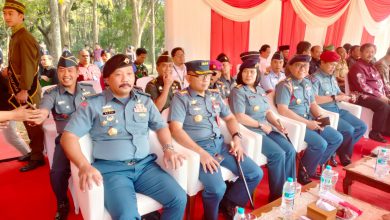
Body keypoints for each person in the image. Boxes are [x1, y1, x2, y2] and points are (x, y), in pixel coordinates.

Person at [61, 54, 187, 220]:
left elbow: (161, 126)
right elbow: (68, 137)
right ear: (107, 79)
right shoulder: (93, 104)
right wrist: (83, 165)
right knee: (127, 216)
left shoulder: (145, 101)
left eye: (129, 74)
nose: (125, 79)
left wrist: (169, 149)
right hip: (112, 171)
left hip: (145, 168)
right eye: (119, 74)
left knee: (178, 198)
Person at [169, 60, 263, 220]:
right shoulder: (180, 98)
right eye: (200, 76)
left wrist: (237, 139)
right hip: (199, 150)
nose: (206, 79)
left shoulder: (214, 95)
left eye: (208, 75)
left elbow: (231, 118)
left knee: (255, 173)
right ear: (188, 77)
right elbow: (175, 130)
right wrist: (201, 154)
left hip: (221, 146)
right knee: (217, 188)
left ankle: (228, 202)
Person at [32, 51, 96, 220]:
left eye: (69, 70)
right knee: (57, 173)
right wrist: (39, 115)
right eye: (61, 70)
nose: (66, 74)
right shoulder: (52, 94)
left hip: (93, 139)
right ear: (57, 72)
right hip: (66, 141)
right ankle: (62, 202)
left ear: (77, 72)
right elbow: (44, 109)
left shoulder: (90, 91)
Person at [230, 58, 295, 202]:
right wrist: (260, 126)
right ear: (241, 74)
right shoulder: (238, 91)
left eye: (252, 72)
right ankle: (277, 196)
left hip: (267, 128)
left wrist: (277, 124)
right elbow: (239, 117)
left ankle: (290, 186)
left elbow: (267, 112)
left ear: (257, 74)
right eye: (245, 72)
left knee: (290, 150)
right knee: (278, 154)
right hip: (253, 131)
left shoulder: (259, 89)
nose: (248, 75)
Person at [275, 55, 343, 184]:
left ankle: (313, 164)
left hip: (311, 119)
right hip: (296, 124)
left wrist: (320, 116)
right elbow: (283, 110)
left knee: (337, 137)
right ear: (290, 66)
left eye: (305, 66)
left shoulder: (307, 83)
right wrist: (307, 123)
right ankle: (304, 171)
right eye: (298, 65)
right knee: (320, 144)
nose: (302, 68)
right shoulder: (284, 85)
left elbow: (313, 104)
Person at [3, 0, 45, 172]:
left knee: (33, 123)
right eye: (4, 14)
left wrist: (24, 89)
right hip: (21, 87)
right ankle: (33, 152)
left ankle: (38, 157)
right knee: (27, 122)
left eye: (10, 14)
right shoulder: (16, 35)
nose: (6, 17)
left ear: (21, 16)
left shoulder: (25, 37)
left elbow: (29, 65)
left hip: (27, 89)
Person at [311, 50, 367, 167]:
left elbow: (338, 92)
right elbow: (315, 100)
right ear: (322, 62)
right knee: (348, 130)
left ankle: (337, 150)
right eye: (331, 64)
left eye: (335, 65)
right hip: (325, 112)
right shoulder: (315, 79)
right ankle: (344, 156)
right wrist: (335, 97)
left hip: (337, 109)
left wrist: (347, 96)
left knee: (362, 127)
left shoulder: (332, 77)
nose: (333, 68)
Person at [348, 43, 390, 142]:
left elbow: (381, 83)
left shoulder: (372, 66)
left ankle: (386, 130)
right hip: (360, 96)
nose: (370, 54)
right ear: (361, 53)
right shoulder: (357, 67)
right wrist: (380, 96)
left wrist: (387, 93)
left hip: (375, 95)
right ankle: (374, 133)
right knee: (383, 106)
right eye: (367, 52)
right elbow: (362, 86)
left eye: (372, 52)